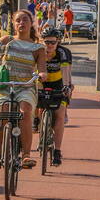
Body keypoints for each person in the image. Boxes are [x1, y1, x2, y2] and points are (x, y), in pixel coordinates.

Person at [0, 11, 48, 171]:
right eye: (18, 20)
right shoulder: (6, 41)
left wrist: (42, 75)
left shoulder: (38, 48)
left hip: (25, 87)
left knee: (25, 112)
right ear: (13, 23)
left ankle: (26, 155)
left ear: (31, 23)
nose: (21, 23)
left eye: (25, 20)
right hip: (4, 86)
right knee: (1, 113)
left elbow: (42, 69)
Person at [36, 27, 72, 167]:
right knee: (38, 105)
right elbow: (33, 70)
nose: (50, 45)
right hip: (42, 83)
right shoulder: (38, 51)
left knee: (60, 114)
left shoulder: (63, 53)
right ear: (42, 41)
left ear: (58, 42)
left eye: (53, 42)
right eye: (47, 42)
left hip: (59, 84)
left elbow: (66, 71)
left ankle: (57, 151)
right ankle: (39, 125)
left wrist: (67, 87)